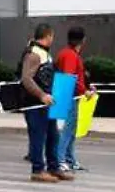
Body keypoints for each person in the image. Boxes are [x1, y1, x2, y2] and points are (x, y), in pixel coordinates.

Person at [19, 24, 74, 183]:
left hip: (46, 104)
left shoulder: (44, 54)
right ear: (48, 36)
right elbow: (26, 79)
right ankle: (37, 170)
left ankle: (53, 167)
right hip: (35, 104)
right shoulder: (34, 54)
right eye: (52, 36)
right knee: (38, 137)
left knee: (53, 136)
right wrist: (42, 95)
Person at [55, 27, 94, 172]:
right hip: (68, 97)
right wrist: (85, 91)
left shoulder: (67, 53)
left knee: (70, 130)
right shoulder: (70, 55)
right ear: (83, 40)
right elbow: (69, 77)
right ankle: (60, 160)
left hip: (68, 95)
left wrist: (87, 87)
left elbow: (75, 76)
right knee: (67, 130)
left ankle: (69, 159)